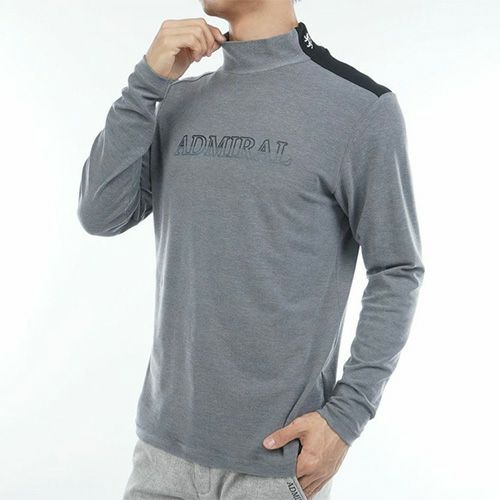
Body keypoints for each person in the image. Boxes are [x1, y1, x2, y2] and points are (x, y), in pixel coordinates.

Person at [77, 0, 425, 498]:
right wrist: (145, 83)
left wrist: (346, 417)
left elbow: (398, 268)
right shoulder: (176, 99)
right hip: (160, 457)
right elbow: (100, 214)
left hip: (274, 465)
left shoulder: (360, 107)